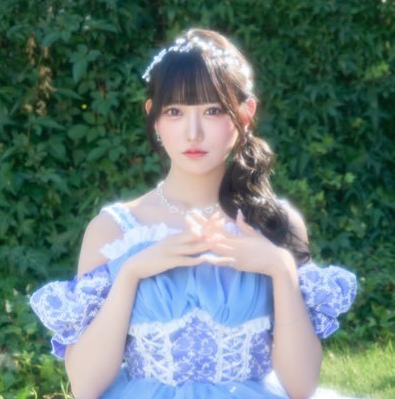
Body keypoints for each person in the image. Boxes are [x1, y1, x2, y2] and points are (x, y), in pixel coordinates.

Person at [30, 28, 358, 399]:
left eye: (213, 110)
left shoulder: (274, 223)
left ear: (245, 114)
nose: (193, 133)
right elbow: (85, 387)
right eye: (175, 111)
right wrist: (131, 272)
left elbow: (301, 387)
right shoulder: (114, 230)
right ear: (154, 117)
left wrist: (280, 268)